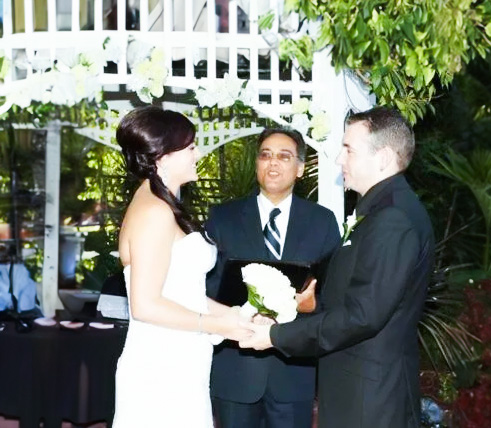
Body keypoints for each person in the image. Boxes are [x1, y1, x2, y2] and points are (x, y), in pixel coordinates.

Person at [240, 107, 435, 428]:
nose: (338, 160)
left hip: (369, 401)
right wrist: (305, 306)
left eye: (349, 149)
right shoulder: (378, 211)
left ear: (383, 157)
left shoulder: (392, 219)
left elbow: (363, 316)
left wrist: (277, 336)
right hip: (356, 391)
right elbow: (359, 294)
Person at [113, 106, 250, 428]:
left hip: (180, 360)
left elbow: (181, 291)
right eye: (190, 147)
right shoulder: (155, 212)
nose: (198, 153)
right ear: (163, 157)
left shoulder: (162, 204)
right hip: (161, 368)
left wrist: (233, 315)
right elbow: (145, 305)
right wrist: (215, 325)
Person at [205, 128, 341, 428]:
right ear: (257, 164)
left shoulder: (323, 222)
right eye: (265, 155)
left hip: (293, 373)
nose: (273, 163)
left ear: (301, 168)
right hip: (236, 372)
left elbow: (334, 294)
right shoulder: (222, 218)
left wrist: (309, 305)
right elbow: (207, 287)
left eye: (284, 156)